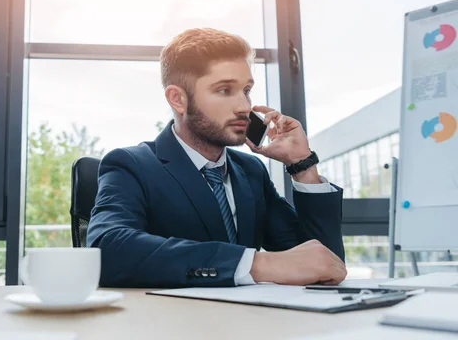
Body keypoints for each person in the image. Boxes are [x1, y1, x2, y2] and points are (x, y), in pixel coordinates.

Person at [87, 28, 346, 288]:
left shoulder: (250, 171)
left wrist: (302, 166)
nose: (244, 106)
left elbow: (326, 264)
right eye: (224, 90)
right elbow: (107, 249)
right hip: (170, 324)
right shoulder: (131, 165)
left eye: (246, 90)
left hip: (252, 323)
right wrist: (257, 265)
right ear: (178, 99)